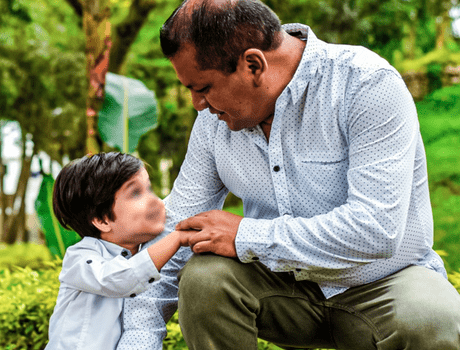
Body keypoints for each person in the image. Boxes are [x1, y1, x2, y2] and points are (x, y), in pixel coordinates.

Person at [117, 1, 460, 349]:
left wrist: (246, 236)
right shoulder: (213, 123)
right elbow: (174, 230)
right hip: (282, 291)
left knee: (432, 319)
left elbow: (376, 229)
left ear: (253, 64)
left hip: (387, 283)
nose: (197, 105)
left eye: (203, 88)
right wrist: (139, 340)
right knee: (205, 278)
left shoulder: (366, 85)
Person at [45, 152, 189, 350]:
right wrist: (178, 237)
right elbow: (121, 278)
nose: (155, 200)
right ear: (102, 220)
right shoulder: (80, 258)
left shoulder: (141, 253)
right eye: (136, 193)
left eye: (149, 188)